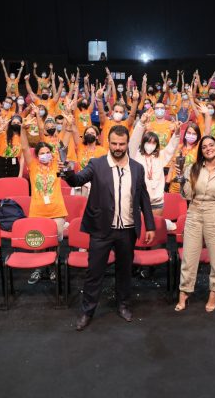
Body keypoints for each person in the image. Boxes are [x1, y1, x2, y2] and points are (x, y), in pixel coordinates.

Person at [64, 125, 155, 331]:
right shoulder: (96, 164)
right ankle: (87, 311)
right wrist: (68, 172)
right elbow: (78, 179)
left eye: (122, 144)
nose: (117, 147)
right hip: (101, 229)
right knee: (94, 273)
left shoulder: (137, 168)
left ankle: (123, 305)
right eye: (113, 143)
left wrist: (149, 224)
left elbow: (143, 198)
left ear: (127, 143)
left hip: (127, 230)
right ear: (108, 142)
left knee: (124, 272)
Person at [174, 135, 215, 312]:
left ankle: (214, 292)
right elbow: (186, 196)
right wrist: (181, 180)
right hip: (194, 212)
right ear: (201, 151)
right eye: (204, 147)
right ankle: (184, 291)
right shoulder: (192, 169)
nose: (208, 148)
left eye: (211, 145)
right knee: (189, 256)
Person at [19, 113, 68, 284]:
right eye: (42, 153)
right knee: (37, 239)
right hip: (38, 210)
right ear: (37, 155)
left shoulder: (56, 164)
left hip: (57, 210)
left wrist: (68, 124)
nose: (45, 155)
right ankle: (39, 268)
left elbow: (63, 144)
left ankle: (53, 267)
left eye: (48, 152)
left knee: (55, 240)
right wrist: (23, 130)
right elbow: (25, 148)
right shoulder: (32, 166)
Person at [129, 110, 180, 215]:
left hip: (157, 202)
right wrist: (141, 124)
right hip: (139, 201)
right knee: (140, 230)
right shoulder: (135, 155)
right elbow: (134, 141)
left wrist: (177, 133)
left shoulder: (160, 156)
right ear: (143, 143)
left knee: (154, 229)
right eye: (148, 142)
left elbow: (171, 148)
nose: (150, 145)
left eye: (153, 143)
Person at [0, 115, 23, 182]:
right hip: (0, 164)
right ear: (10, 124)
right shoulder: (3, 134)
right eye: (14, 122)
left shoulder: (22, 138)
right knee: (0, 185)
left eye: (18, 123)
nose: (16, 124)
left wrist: (20, 174)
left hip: (14, 165)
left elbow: (22, 158)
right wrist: (1, 129)